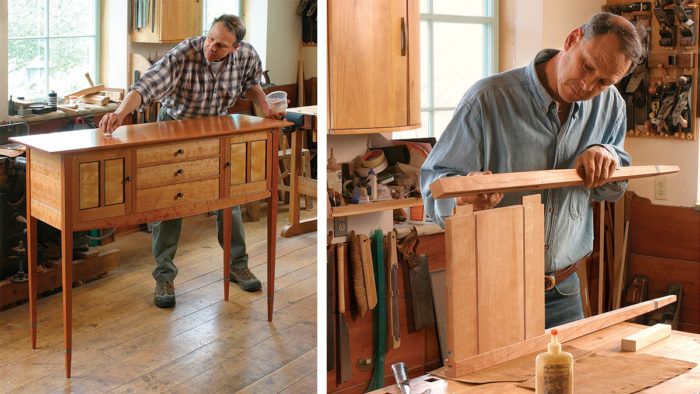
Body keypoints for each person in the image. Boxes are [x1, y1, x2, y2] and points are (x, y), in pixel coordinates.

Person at [420, 12, 646, 327]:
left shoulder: (611, 106)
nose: (587, 85)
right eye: (587, 66)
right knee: (494, 378)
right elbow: (432, 185)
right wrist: (462, 198)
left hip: (565, 289)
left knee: (568, 377)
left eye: (604, 82)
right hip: (495, 288)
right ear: (572, 40)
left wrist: (606, 155)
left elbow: (612, 189)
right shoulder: (488, 99)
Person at [99, 15, 283, 308]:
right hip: (174, 128)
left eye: (221, 45)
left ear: (235, 48)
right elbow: (145, 86)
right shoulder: (184, 54)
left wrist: (265, 106)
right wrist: (120, 114)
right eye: (210, 38)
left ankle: (237, 265)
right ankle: (164, 276)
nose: (211, 47)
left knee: (229, 198)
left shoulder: (247, 56)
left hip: (216, 128)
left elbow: (251, 83)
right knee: (168, 204)